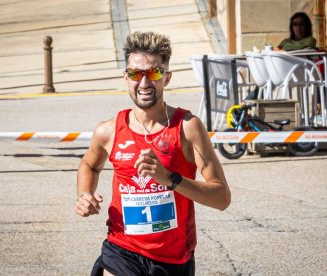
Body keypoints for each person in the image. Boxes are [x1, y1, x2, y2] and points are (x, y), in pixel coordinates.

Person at [74, 31, 231, 276]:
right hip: (121, 250)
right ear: (126, 77)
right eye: (136, 74)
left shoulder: (187, 127)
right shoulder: (108, 131)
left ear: (166, 78)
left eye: (154, 73)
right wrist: (85, 194)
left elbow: (222, 198)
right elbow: (89, 165)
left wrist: (171, 179)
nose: (144, 83)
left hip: (174, 259)